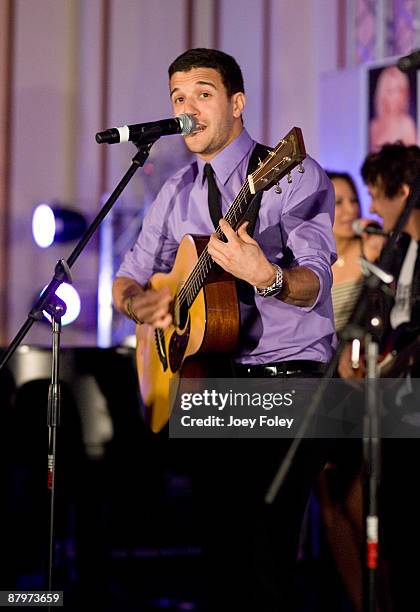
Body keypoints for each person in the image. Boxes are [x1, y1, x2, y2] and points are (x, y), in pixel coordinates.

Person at [112, 48, 337, 611]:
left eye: (203, 94)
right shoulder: (175, 193)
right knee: (219, 557)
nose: (188, 108)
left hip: (287, 381)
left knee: (265, 555)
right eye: (178, 99)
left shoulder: (290, 171)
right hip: (208, 383)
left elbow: (314, 281)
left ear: (237, 104)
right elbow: (127, 280)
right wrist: (146, 307)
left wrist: (268, 278)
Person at [337, 143, 420, 610]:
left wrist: (390, 365)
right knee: (393, 520)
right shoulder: (398, 248)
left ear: (403, 191)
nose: (369, 207)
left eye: (374, 194)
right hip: (394, 409)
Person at [369, 65, 417, 153]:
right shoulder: (374, 126)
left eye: (399, 90)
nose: (396, 97)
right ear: (383, 94)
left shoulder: (406, 124)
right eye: (390, 91)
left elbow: (413, 160)